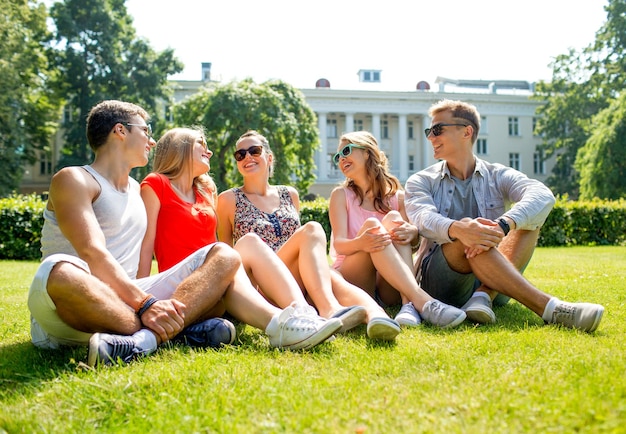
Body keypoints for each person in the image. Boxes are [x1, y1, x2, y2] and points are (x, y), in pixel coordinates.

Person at [27, 100, 341, 368]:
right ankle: (185, 328)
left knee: (224, 255)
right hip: (77, 306)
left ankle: (277, 326)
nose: (152, 142)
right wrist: (147, 304)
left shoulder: (138, 190)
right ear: (120, 130)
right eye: (146, 131)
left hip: (128, 302)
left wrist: (148, 300)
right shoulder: (74, 178)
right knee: (60, 272)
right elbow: (92, 253)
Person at [404, 98, 605, 332]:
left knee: (530, 220)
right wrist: (460, 230)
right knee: (471, 231)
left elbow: (542, 195)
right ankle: (551, 308)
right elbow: (422, 218)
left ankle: (483, 295)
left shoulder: (497, 174)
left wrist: (502, 225)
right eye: (430, 131)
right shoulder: (421, 180)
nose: (430, 137)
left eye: (437, 129)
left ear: (466, 132)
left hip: (495, 278)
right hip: (441, 282)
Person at [137, 127, 344, 334]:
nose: (209, 153)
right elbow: (146, 246)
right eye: (202, 145)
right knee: (243, 246)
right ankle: (287, 322)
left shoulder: (206, 190)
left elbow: (215, 245)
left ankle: (303, 314)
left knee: (248, 243)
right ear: (180, 146)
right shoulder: (156, 184)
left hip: (216, 282)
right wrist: (143, 303)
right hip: (185, 286)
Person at [217, 130, 401, 341]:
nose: (247, 157)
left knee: (331, 274)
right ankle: (328, 309)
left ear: (269, 157)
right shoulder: (228, 199)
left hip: (293, 279)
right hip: (259, 284)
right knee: (259, 239)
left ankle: (377, 316)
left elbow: (300, 245)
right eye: (240, 155)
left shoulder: (289, 194)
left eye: (254, 151)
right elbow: (227, 255)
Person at [328, 131, 466, 329]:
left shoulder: (398, 197)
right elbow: (339, 245)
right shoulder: (340, 195)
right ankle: (422, 302)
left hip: (389, 285)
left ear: (367, 152)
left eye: (346, 151)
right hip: (355, 277)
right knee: (373, 226)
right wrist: (361, 243)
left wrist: (413, 234)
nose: (341, 159)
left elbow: (410, 246)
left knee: (394, 219)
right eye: (337, 157)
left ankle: (407, 305)